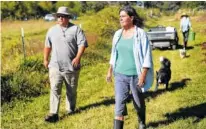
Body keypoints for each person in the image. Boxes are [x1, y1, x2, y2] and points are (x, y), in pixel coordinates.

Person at [106, 6, 154, 129]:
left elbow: (147, 57)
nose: (120, 19)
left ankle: (142, 121)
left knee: (138, 102)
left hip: (135, 75)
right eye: (120, 17)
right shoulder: (117, 34)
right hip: (120, 74)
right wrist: (110, 71)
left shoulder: (140, 34)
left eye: (123, 16)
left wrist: (143, 76)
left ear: (131, 18)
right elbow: (114, 54)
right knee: (119, 104)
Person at [44, 6, 88, 122]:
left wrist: (78, 57)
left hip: (71, 66)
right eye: (59, 16)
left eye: (63, 16)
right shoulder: (52, 30)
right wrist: (45, 59)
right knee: (54, 88)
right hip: (55, 66)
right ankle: (53, 113)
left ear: (68, 18)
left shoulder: (76, 29)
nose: (60, 18)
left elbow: (82, 44)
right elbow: (47, 46)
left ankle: (70, 109)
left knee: (71, 90)